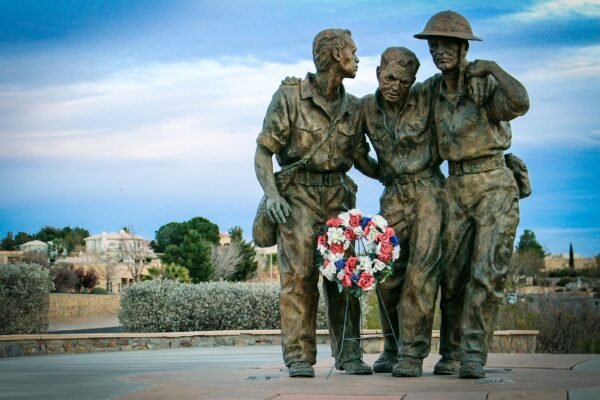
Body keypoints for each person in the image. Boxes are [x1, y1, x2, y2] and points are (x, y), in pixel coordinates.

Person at [254, 28, 377, 378]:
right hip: (298, 198)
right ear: (337, 54)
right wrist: (273, 196)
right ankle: (298, 356)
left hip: (338, 197)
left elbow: (362, 159)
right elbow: (264, 153)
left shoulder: (354, 108)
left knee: (345, 279)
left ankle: (349, 355)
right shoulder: (289, 97)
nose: (357, 57)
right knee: (299, 279)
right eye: (353, 51)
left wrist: (399, 173)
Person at [414, 10, 530, 379]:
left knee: (487, 272)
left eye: (447, 44)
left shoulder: (483, 82)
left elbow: (521, 101)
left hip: (493, 183)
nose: (439, 51)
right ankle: (450, 352)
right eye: (434, 44)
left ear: (464, 47)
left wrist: (493, 67)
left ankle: (474, 354)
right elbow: (393, 101)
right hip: (455, 186)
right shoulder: (431, 90)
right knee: (452, 275)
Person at [359, 47, 445, 377]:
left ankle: (412, 353)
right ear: (378, 71)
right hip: (393, 194)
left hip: (428, 192)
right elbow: (357, 151)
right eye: (390, 77)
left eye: (404, 81)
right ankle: (392, 346)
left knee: (421, 275)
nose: (395, 85)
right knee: (386, 277)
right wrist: (380, 173)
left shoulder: (427, 94)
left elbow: (456, 76)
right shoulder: (366, 106)